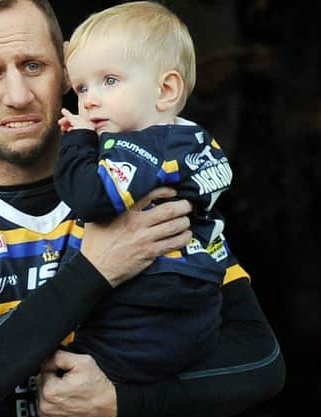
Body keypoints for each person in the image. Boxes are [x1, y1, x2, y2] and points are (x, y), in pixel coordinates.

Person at [0, 1, 285, 417]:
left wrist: (122, 403)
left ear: (67, 72)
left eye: (34, 66)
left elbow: (260, 358)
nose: (18, 96)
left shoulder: (140, 186)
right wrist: (95, 269)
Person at [54, 1, 232, 384]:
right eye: (81, 87)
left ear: (166, 89)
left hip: (150, 301)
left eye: (110, 81)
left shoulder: (139, 146)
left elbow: (91, 197)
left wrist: (77, 143)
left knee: (65, 371)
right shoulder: (193, 138)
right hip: (198, 301)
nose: (89, 100)